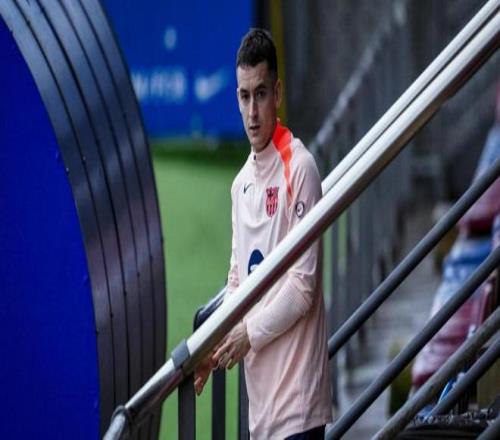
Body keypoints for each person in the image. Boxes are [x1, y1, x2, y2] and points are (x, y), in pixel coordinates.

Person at [195, 28, 332, 439]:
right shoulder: (241, 185)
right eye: (244, 96)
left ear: (278, 93)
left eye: (260, 94)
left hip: (300, 408)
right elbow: (238, 279)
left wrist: (248, 335)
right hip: (262, 415)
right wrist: (215, 344)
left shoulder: (300, 168)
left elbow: (303, 288)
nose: (252, 112)